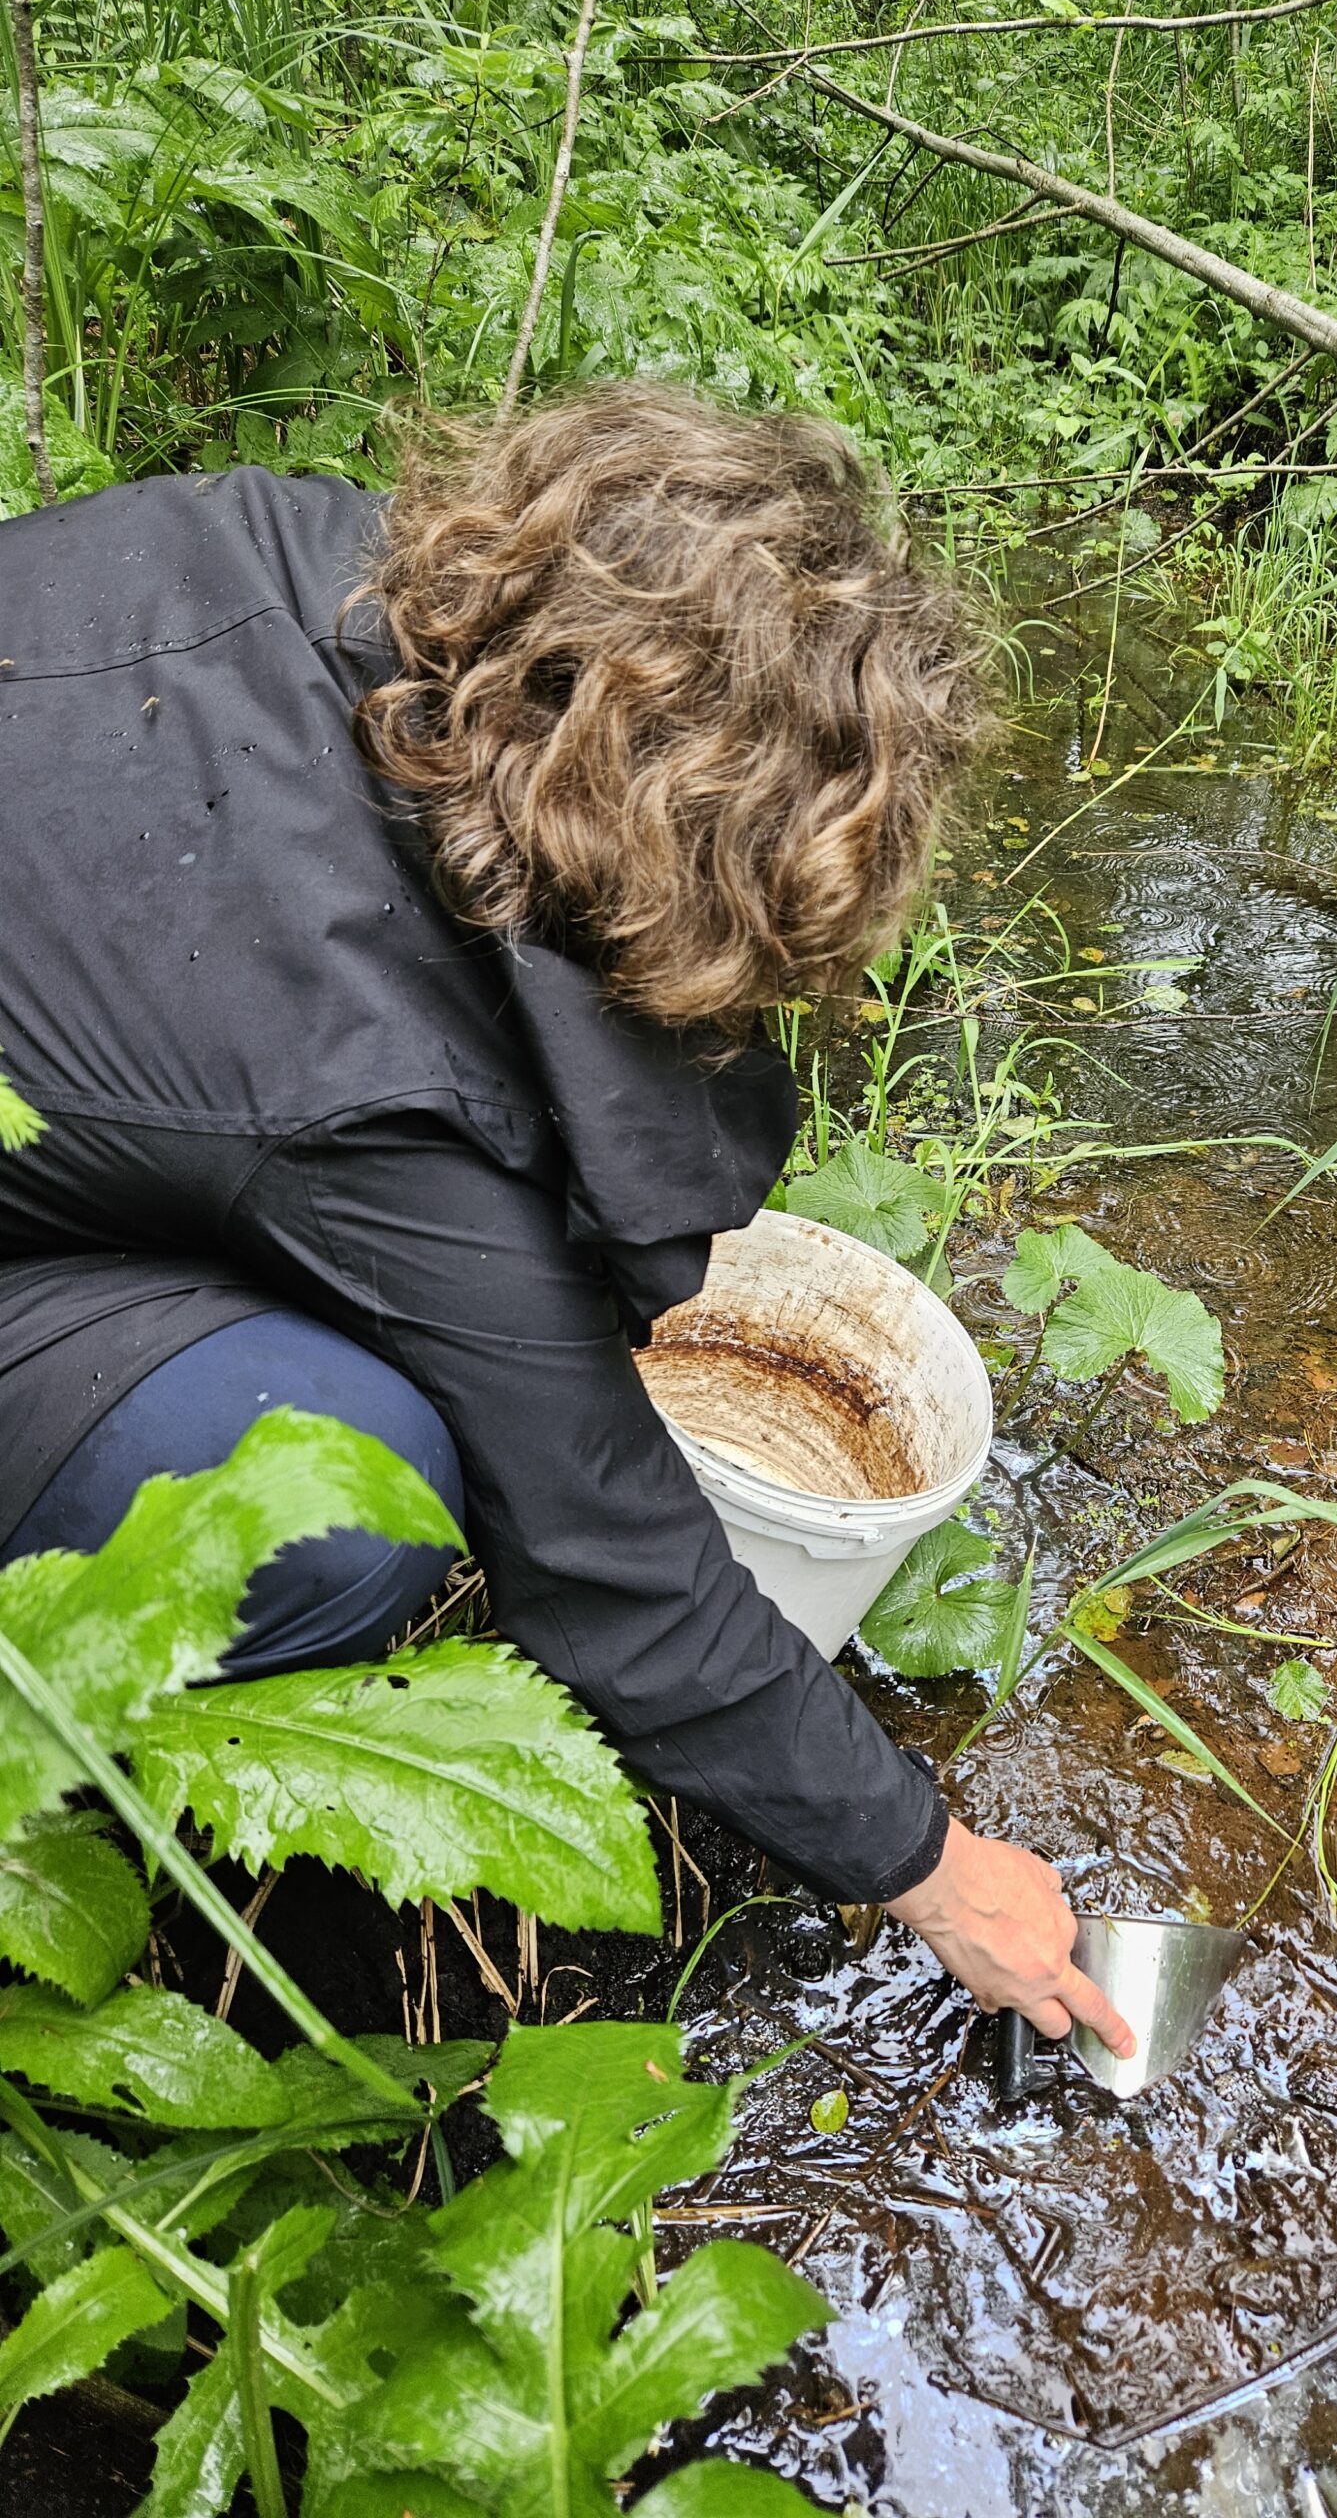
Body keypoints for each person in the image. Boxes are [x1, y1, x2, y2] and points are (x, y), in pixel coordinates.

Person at [0, 384, 1132, 2064]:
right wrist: (936, 1869)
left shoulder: (302, 549)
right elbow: (616, 1577)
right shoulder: (367, 1082)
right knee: (336, 1485)